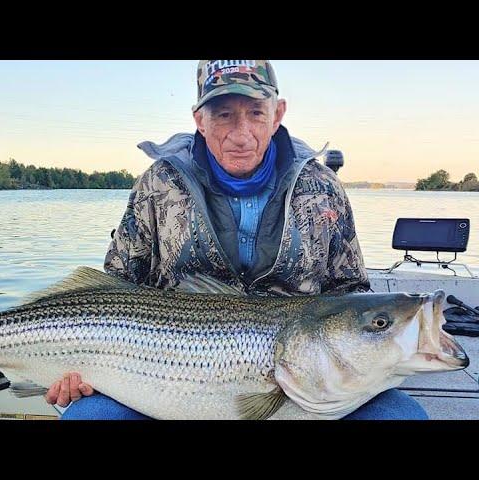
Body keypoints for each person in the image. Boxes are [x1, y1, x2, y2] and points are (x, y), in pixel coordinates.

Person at [45, 60, 428, 420]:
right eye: (224, 114)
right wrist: (80, 364)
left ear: (277, 114)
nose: (241, 133)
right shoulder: (160, 183)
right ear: (199, 120)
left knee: (404, 416)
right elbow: (116, 285)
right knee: (89, 416)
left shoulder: (323, 187)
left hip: (303, 377)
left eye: (256, 113)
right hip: (156, 375)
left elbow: (351, 291)